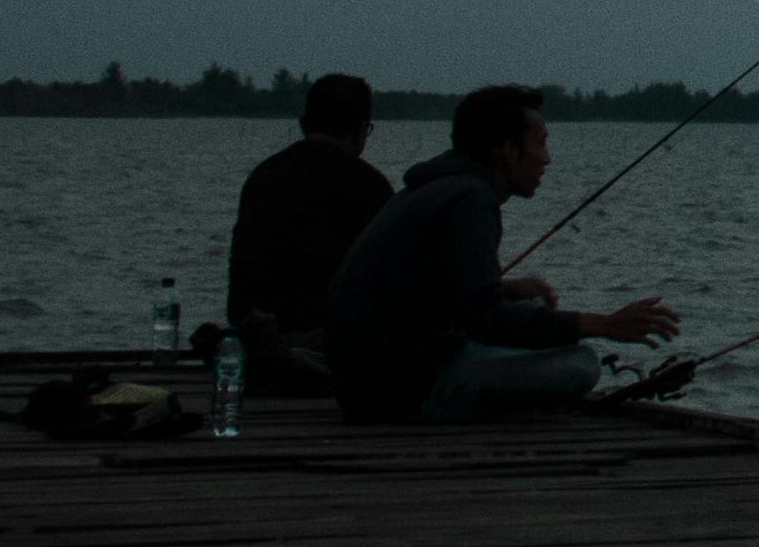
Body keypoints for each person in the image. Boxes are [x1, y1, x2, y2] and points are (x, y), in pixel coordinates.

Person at [324, 84, 677, 423]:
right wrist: (603, 324)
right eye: (541, 144)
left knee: (532, 309)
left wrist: (505, 289)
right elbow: (484, 317)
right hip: (402, 390)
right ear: (508, 151)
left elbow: (429, 291)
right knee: (582, 364)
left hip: (364, 381)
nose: (547, 159)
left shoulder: (435, 188)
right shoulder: (471, 200)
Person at [224, 72, 396, 388]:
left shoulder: (263, 176)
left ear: (304, 123)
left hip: (255, 333)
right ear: (361, 130)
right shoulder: (368, 183)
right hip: (325, 337)